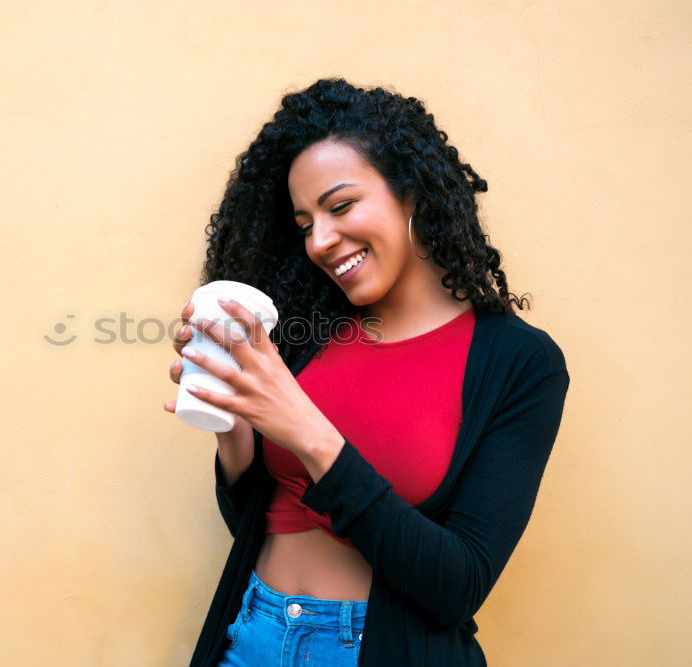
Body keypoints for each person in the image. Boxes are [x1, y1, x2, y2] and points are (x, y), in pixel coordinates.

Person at [162, 78, 571, 666]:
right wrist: (235, 427)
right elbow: (256, 521)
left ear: (413, 193)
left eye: (341, 205)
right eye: (305, 224)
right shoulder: (308, 334)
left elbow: (457, 586)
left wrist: (309, 433)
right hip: (250, 636)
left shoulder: (518, 363)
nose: (322, 241)